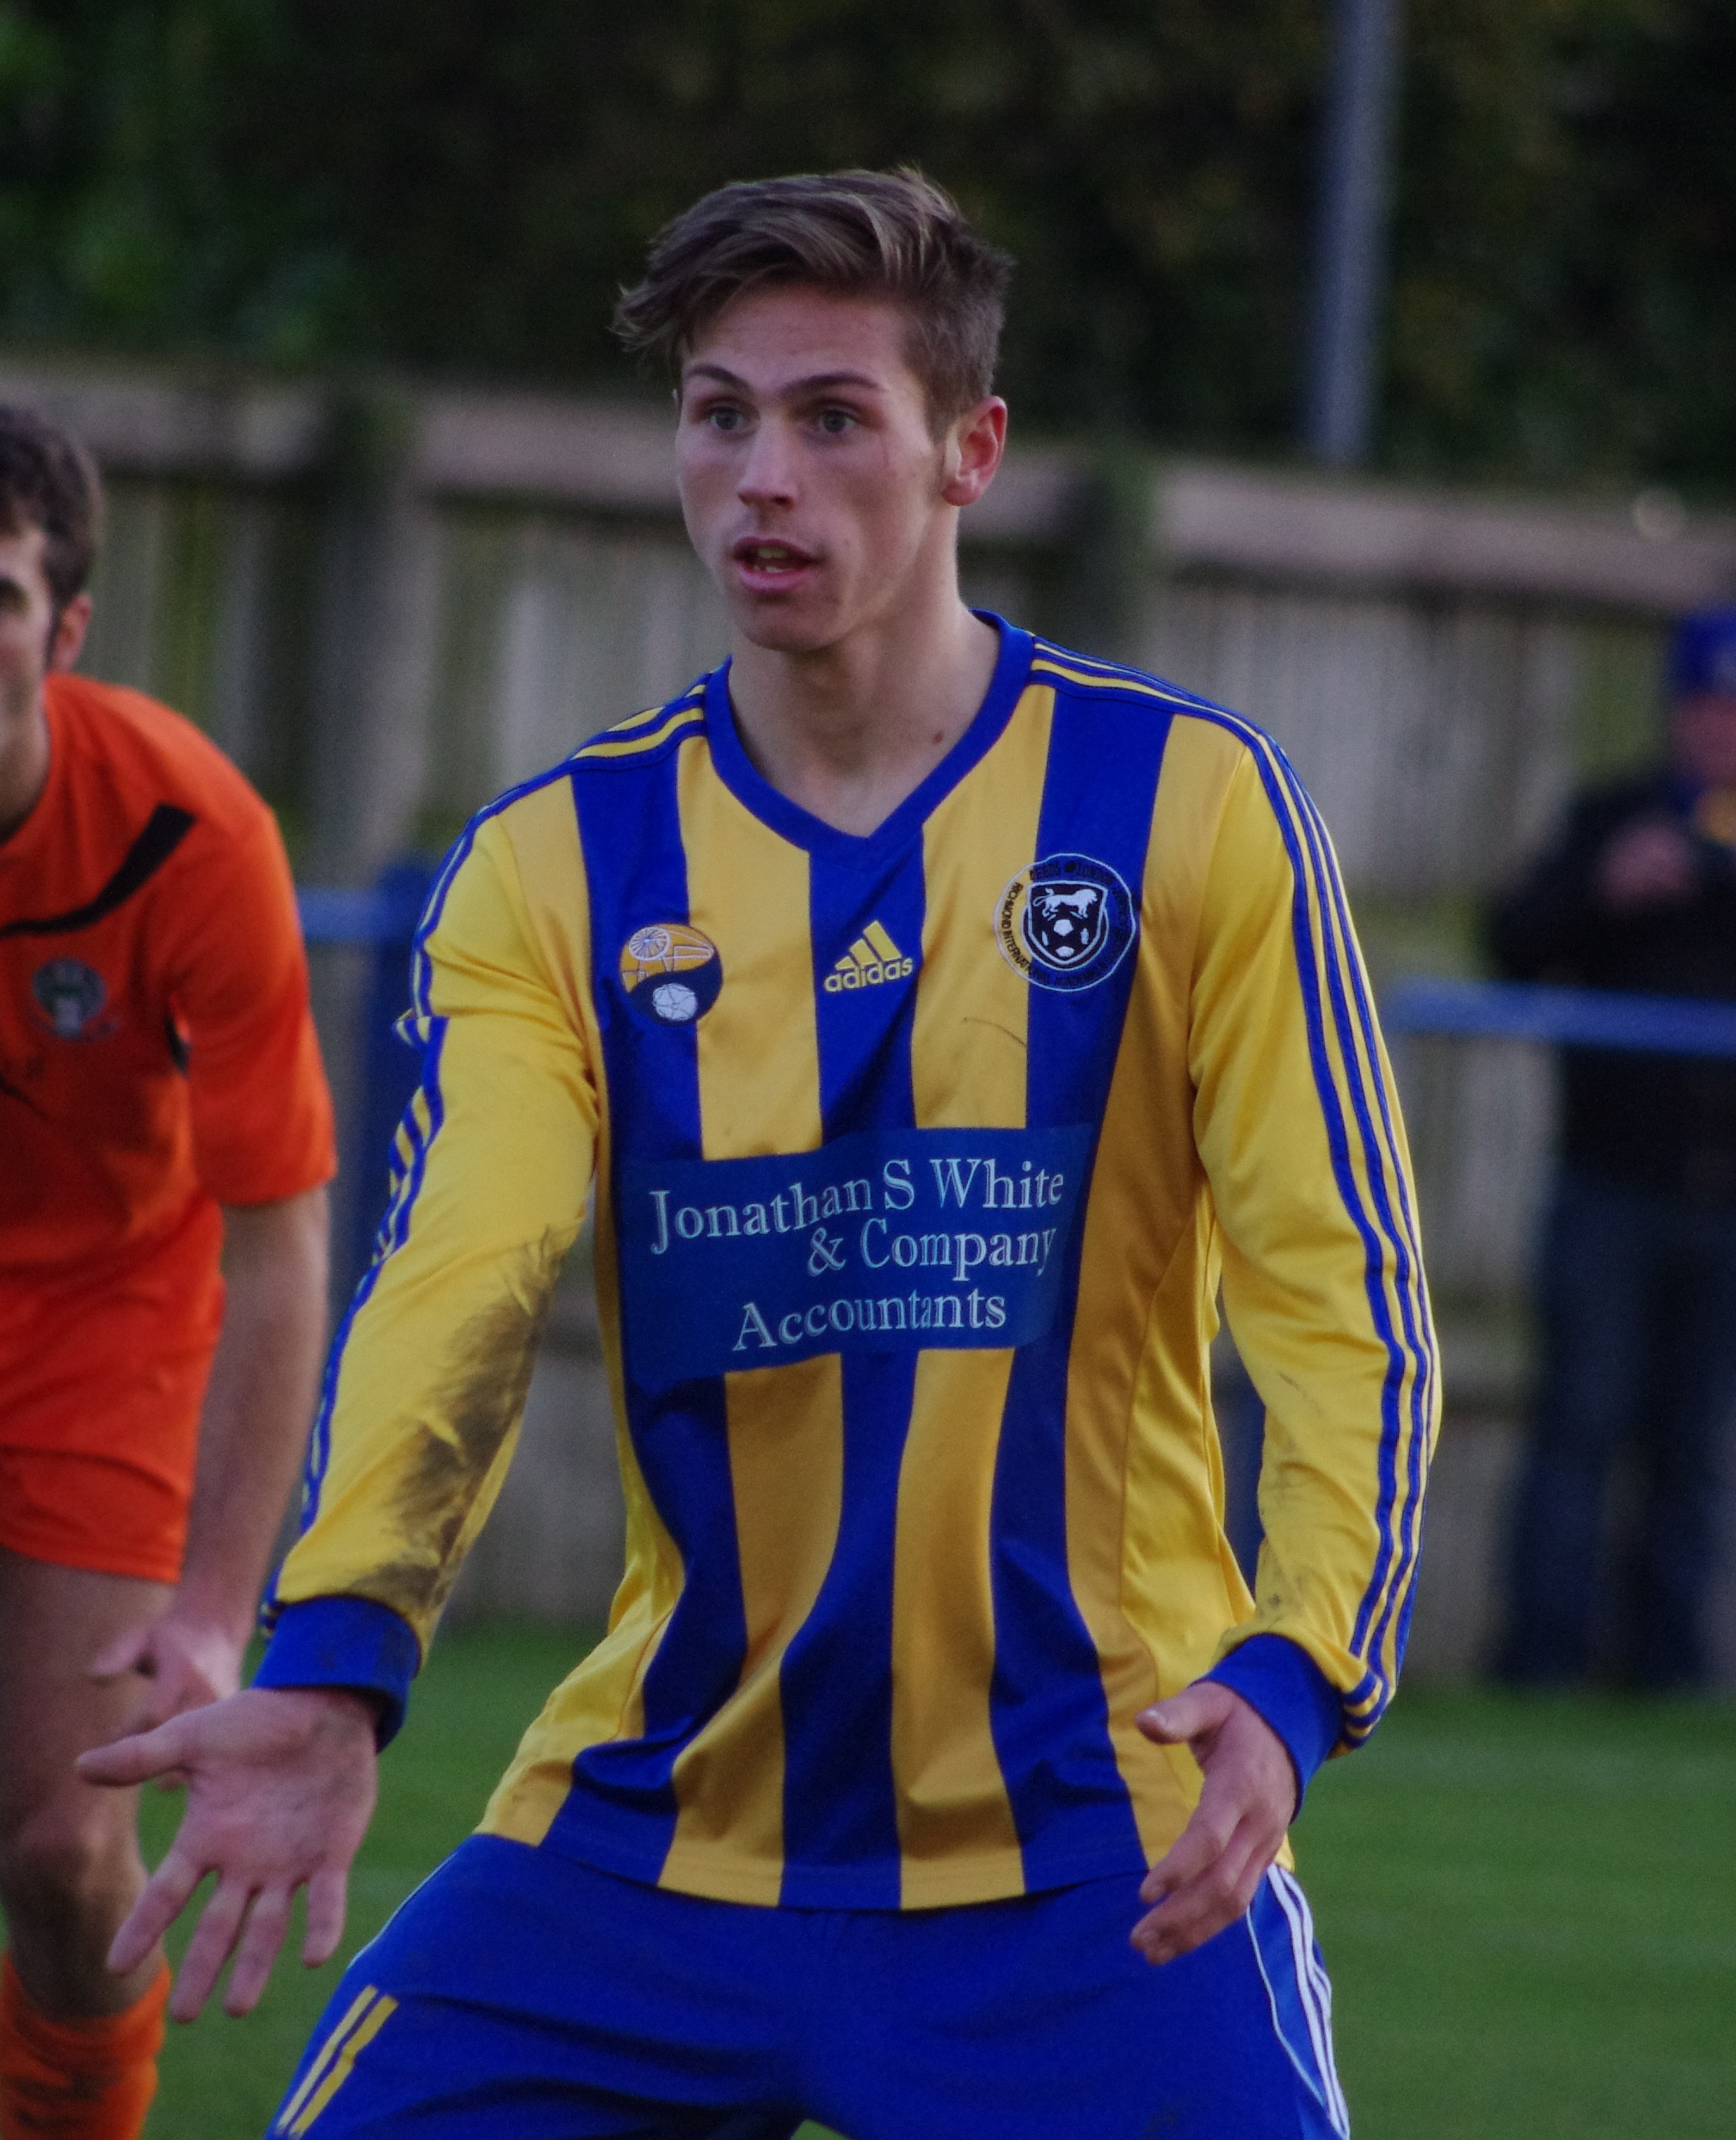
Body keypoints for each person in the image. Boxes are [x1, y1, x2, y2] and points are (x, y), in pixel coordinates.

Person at [83, 171, 1438, 2140]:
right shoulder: (557, 864)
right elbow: (454, 1279)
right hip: (652, 1835)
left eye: (828, 418)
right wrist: (337, 1649)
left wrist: (1298, 1662)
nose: (760, 479)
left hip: (1094, 1855)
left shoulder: (1186, 807)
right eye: (716, 414)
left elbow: (1343, 1289)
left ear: (967, 451)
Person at [0, 401, 337, 2137]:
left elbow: (283, 1234)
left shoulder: (189, 834)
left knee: (63, 1853)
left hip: (102, 1314)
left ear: (64, 629)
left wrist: (215, 1612)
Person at [1490, 605, 1736, 1689]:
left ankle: (1666, 1671)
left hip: (1726, 1199)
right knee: (1576, 1429)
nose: (1721, 730)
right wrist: (1603, 888)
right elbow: (1509, 941)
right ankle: (1537, 1662)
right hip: (1608, 1185)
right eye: (1707, 705)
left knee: (1694, 1451)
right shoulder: (1614, 816)